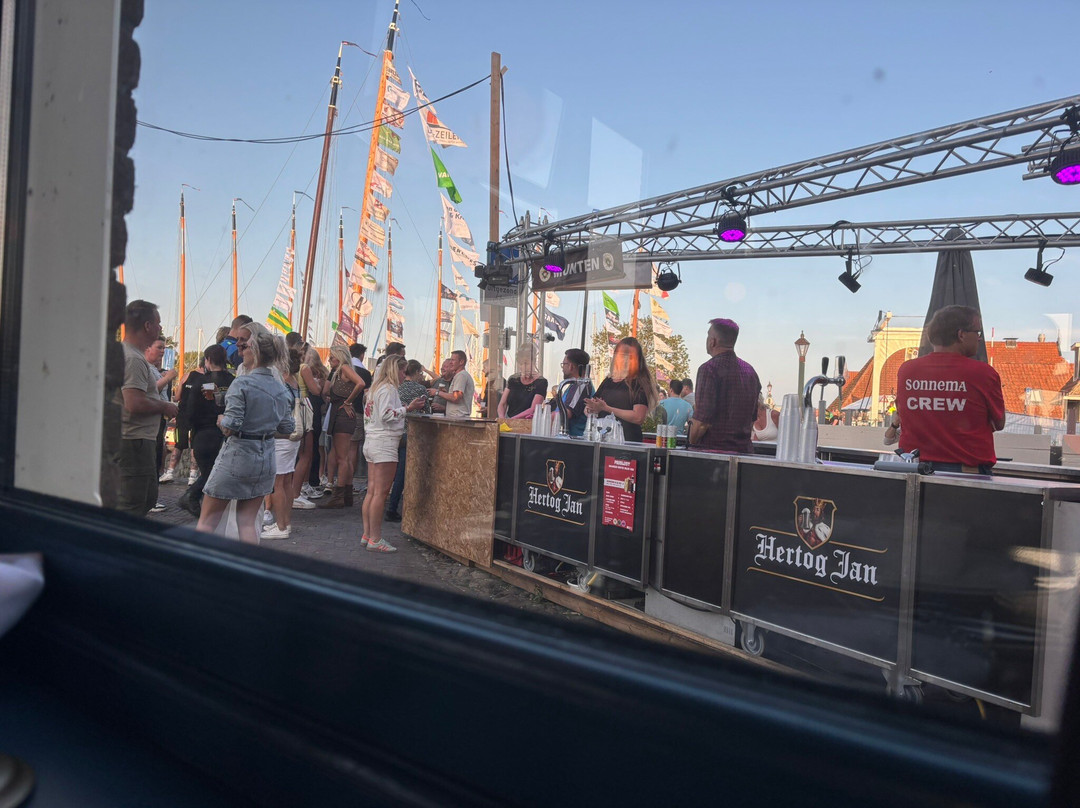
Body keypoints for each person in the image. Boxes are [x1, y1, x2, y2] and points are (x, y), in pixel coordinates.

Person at [196, 326, 294, 544]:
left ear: (255, 351)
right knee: (248, 522)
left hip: (238, 454)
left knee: (207, 521)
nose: (240, 348)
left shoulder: (243, 383)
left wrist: (221, 419)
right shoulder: (280, 387)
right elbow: (287, 427)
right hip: (265, 457)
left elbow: (230, 425)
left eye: (245, 345)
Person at [896, 305, 1005, 474]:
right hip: (966, 475)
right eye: (977, 332)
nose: (979, 339)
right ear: (961, 335)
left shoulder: (907, 370)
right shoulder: (983, 374)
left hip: (914, 470)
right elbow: (999, 423)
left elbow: (904, 415)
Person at [116, 300, 179, 517]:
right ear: (147, 326)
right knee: (134, 503)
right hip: (134, 442)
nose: (160, 328)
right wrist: (165, 406)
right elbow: (133, 402)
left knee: (145, 497)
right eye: (158, 323)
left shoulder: (125, 354)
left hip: (133, 440)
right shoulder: (133, 359)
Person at [361, 355, 427, 552]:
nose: (404, 375)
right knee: (380, 493)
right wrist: (408, 408)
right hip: (385, 442)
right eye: (402, 371)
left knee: (372, 491)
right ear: (394, 370)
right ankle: (375, 538)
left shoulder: (375, 389)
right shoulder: (389, 389)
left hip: (372, 440)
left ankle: (367, 534)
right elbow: (387, 415)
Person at [177, 344, 234, 518]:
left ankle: (193, 497)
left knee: (210, 472)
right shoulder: (233, 381)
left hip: (203, 433)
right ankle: (198, 501)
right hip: (225, 433)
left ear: (208, 360)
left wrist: (186, 432)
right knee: (214, 472)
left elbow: (189, 410)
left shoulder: (201, 381)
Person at [688, 318, 760, 454]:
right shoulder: (750, 372)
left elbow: (702, 422)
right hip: (744, 454)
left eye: (708, 336)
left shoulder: (708, 369)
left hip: (713, 454)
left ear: (712, 341)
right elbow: (751, 420)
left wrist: (690, 441)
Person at [262, 347, 306, 540]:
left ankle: (281, 526)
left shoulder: (282, 383)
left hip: (281, 437)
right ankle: (285, 522)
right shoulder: (294, 382)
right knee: (286, 481)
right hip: (292, 436)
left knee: (278, 483)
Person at [584, 337, 659, 444]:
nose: (623, 360)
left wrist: (607, 408)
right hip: (603, 441)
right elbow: (590, 406)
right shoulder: (608, 381)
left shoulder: (638, 383)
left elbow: (638, 417)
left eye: (627, 356)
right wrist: (590, 409)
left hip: (627, 442)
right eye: (619, 355)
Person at [319, 345, 365, 508]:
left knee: (342, 457)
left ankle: (339, 495)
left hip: (343, 416)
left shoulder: (344, 368)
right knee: (343, 456)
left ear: (339, 357)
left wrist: (348, 401)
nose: (330, 360)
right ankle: (346, 494)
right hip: (339, 414)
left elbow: (360, 383)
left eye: (332, 357)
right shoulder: (338, 371)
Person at [385, 359, 429, 522]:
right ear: (416, 372)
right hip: (410, 433)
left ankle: (383, 503)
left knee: (389, 472)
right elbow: (427, 411)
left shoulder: (396, 387)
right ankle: (393, 508)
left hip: (394, 433)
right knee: (402, 474)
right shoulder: (420, 389)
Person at [549, 348, 594, 437]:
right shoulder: (573, 385)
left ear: (571, 366)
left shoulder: (582, 385)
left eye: (564, 364)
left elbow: (566, 413)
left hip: (574, 438)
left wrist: (544, 418)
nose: (562, 368)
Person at [348, 342, 374, 494]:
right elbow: (367, 395)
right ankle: (349, 483)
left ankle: (333, 481)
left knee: (338, 449)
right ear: (362, 355)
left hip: (338, 413)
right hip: (357, 411)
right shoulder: (364, 373)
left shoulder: (341, 368)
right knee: (353, 447)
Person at [498, 345, 548, 419]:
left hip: (527, 423)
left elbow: (533, 409)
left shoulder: (541, 382)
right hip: (509, 420)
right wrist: (502, 418)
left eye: (526, 364)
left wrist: (512, 420)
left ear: (534, 362)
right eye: (520, 364)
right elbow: (502, 404)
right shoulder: (513, 379)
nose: (523, 367)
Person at [430, 350, 474, 418]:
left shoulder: (461, 376)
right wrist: (446, 393)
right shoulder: (461, 375)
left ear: (461, 362)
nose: (450, 362)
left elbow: (456, 398)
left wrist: (437, 392)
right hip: (457, 417)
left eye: (453, 360)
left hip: (458, 417)